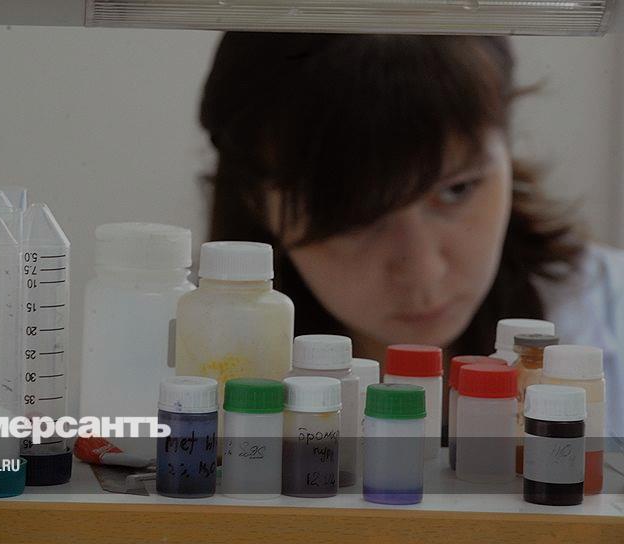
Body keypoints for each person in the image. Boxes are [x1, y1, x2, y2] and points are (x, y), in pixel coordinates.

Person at [199, 33, 622, 441]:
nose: (424, 270)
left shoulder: (610, 314)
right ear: (257, 202)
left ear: (506, 147)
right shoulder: (189, 360)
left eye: (457, 190)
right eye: (356, 219)